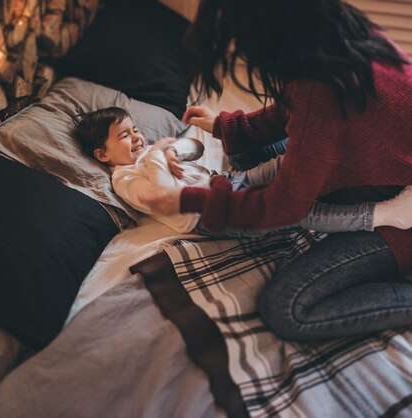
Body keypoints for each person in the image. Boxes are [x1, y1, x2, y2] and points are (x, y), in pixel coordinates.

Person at [140, 0, 412, 340]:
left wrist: (191, 200)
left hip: (403, 217)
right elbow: (298, 108)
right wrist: (228, 127)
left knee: (287, 308)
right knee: (243, 152)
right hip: (372, 169)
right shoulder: (343, 37)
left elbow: (284, 208)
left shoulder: (321, 94)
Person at [73, 107, 403, 237]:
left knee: (283, 164)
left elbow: (196, 150)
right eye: (124, 136)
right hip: (209, 216)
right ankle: (378, 215)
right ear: (103, 155)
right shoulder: (124, 179)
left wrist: (172, 149)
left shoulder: (151, 151)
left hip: (226, 183)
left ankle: (348, 160)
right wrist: (158, 156)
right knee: (298, 212)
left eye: (134, 130)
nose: (136, 138)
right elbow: (162, 195)